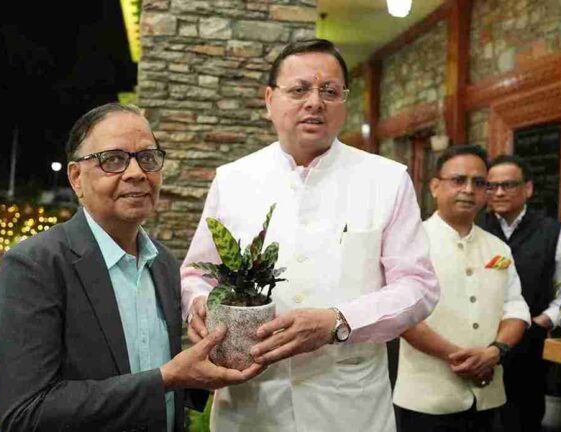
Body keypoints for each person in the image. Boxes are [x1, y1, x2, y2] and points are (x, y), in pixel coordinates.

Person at [181, 39, 440, 431]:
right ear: (269, 100)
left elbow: (418, 285)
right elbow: (196, 274)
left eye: (329, 91)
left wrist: (339, 321)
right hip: (252, 404)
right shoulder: (233, 179)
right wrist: (199, 306)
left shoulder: (386, 180)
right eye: (299, 90)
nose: (315, 102)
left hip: (348, 407)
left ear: (344, 102)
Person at [0, 103, 263, 431]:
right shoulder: (36, 265)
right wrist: (165, 379)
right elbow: (24, 413)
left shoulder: (162, 263)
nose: (136, 173)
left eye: (147, 157)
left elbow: (162, 379)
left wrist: (205, 373)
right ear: (76, 178)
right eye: (114, 159)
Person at [393, 145, 530, 432]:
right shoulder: (409, 242)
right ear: (435, 186)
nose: (468, 190)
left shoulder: (497, 247)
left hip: (486, 397)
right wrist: (460, 357)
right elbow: (402, 315)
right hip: (426, 400)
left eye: (479, 183)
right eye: (458, 180)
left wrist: (495, 352)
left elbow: (515, 307)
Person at [476, 154, 561, 432]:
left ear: (528, 188)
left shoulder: (554, 232)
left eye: (508, 185)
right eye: (491, 186)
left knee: (523, 419)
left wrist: (541, 321)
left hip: (529, 348)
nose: (498, 192)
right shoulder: (475, 229)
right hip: (478, 345)